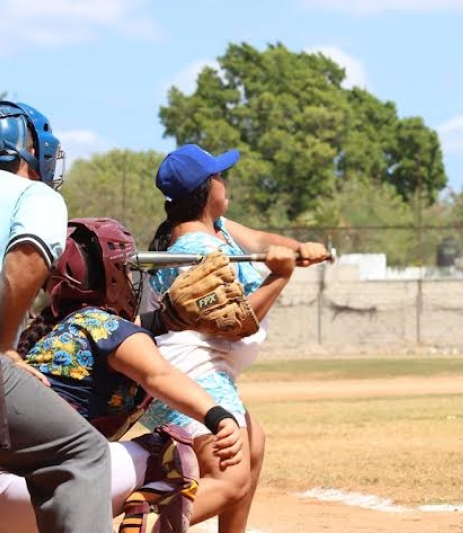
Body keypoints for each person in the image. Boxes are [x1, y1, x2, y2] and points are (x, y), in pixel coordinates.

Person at [0, 217, 244, 533]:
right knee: (175, 452)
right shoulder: (104, 327)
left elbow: (117, 336)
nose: (129, 280)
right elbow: (159, 375)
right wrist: (217, 415)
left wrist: (165, 320)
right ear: (110, 278)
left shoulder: (38, 334)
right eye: (124, 271)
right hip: (32, 488)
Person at [141, 143, 328, 533]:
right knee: (229, 476)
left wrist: (298, 249)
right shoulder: (199, 249)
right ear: (205, 191)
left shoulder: (214, 230)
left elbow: (259, 240)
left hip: (199, 367)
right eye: (219, 176)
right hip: (191, 369)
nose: (225, 181)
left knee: (253, 443)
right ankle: (147, 526)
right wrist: (281, 276)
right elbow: (236, 321)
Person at [0, 100, 115, 532]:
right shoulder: (35, 194)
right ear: (33, 151)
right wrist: (6, 345)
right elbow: (27, 256)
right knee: (78, 453)